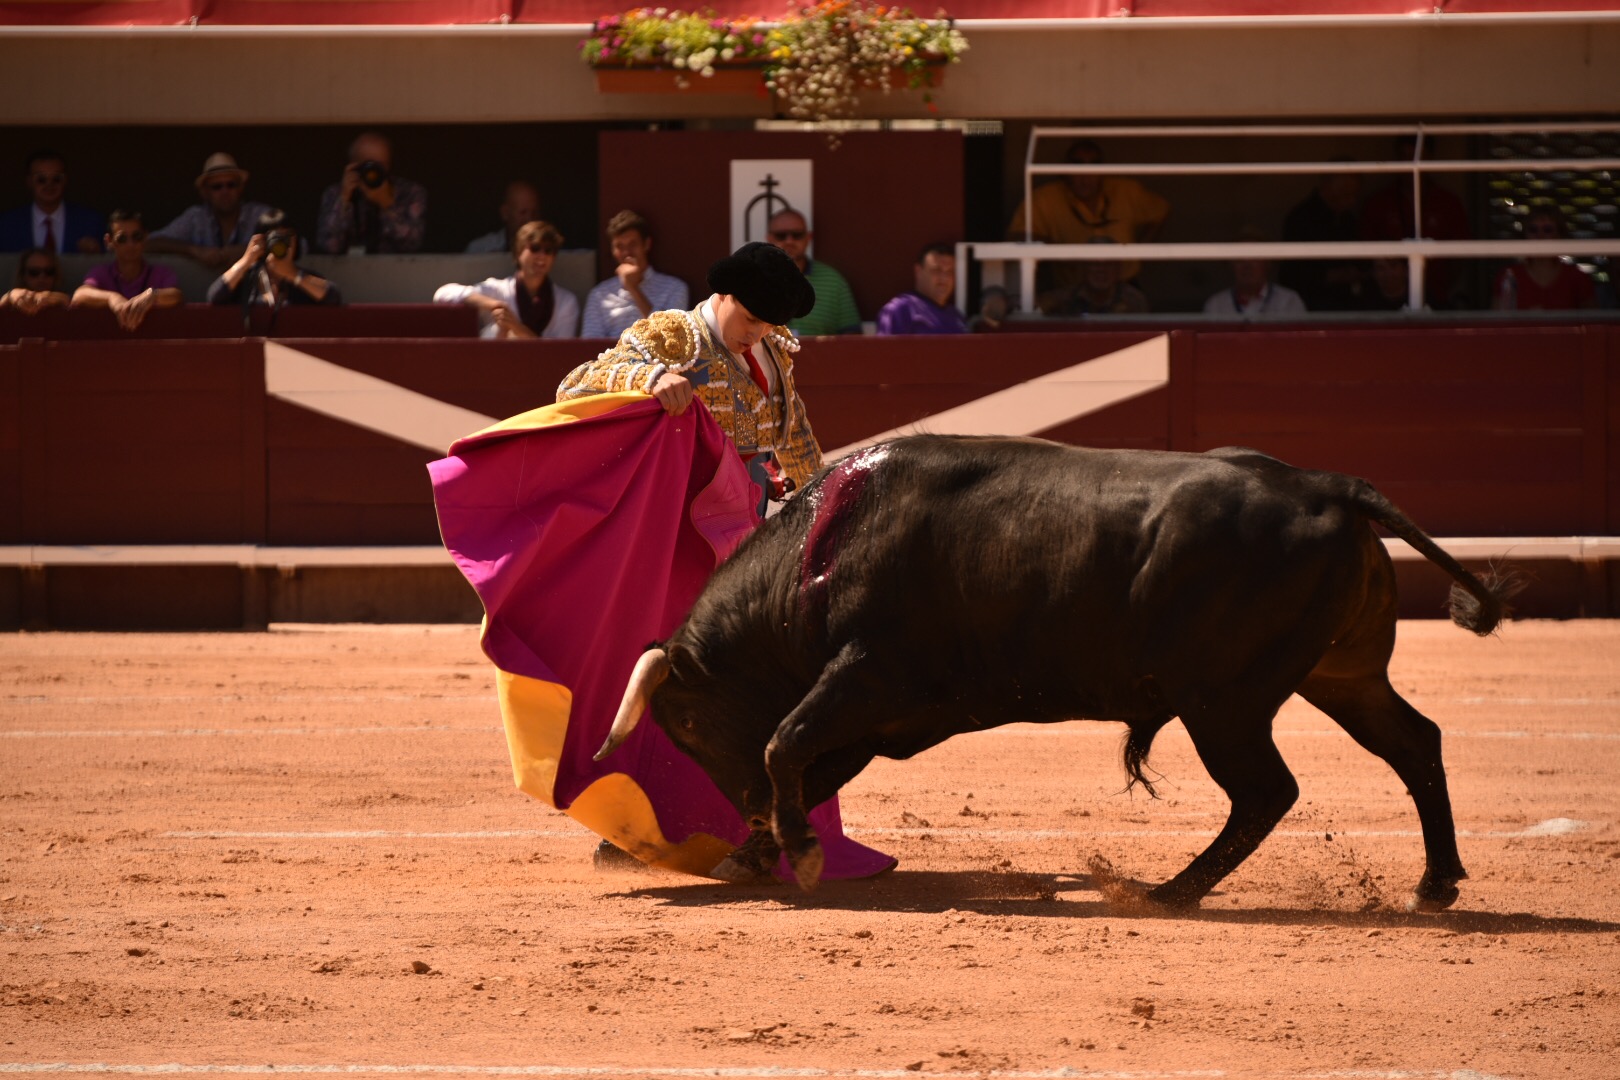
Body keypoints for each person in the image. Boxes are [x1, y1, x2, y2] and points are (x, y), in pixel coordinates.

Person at [560, 240, 822, 494]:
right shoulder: (673, 336)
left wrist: (821, 503)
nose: (757, 335)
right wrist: (651, 378)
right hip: (683, 504)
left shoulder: (774, 346)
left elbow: (794, 429)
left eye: (768, 326)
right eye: (750, 319)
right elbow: (573, 387)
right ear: (724, 293)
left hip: (754, 503)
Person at [1005, 139, 1170, 297]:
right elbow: (1016, 236)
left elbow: (1161, 211)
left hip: (1124, 287)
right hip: (1072, 291)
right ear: (1065, 171)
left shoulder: (1126, 190)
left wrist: (1138, 253)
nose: (1086, 175)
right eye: (1078, 165)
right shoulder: (1045, 198)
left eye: (1094, 165)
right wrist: (1059, 252)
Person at [1359, 136, 1470, 308]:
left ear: (1430, 159)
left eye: (1418, 158)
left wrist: (1441, 286)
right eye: (1405, 158)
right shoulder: (1378, 202)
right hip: (1385, 301)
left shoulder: (1448, 203)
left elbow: (1460, 255)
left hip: (1436, 296)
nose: (1411, 166)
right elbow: (1366, 252)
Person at [435, 220, 579, 338]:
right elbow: (442, 294)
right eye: (535, 248)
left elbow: (558, 352)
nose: (542, 256)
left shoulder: (566, 301)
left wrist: (516, 328)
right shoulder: (498, 290)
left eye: (549, 250)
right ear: (518, 252)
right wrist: (493, 304)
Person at [147, 152, 273, 271]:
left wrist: (247, 251)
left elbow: (287, 241)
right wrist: (194, 251)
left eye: (231, 185)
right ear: (204, 192)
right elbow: (150, 243)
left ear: (241, 188)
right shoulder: (196, 218)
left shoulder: (259, 214)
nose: (225, 192)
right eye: (217, 187)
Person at [580, 210, 689, 339]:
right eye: (619, 246)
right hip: (613, 358)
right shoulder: (599, 295)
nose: (627, 252)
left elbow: (671, 337)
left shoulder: (674, 288)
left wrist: (633, 288)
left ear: (646, 244)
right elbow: (590, 344)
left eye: (632, 244)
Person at [314, 132, 427, 254]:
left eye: (381, 164)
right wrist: (344, 200)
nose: (375, 171)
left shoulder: (409, 192)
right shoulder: (334, 193)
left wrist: (386, 205)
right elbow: (329, 246)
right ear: (354, 164)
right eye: (369, 164)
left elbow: (413, 244)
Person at [71, 211, 184, 331]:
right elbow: (79, 295)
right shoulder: (101, 272)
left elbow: (176, 296)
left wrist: (152, 296)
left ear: (145, 237)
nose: (130, 244)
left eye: (137, 237)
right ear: (109, 241)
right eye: (122, 239)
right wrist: (112, 298)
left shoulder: (162, 272)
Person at [206, 210, 340, 309]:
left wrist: (293, 275)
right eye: (275, 238)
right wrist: (247, 259)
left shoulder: (306, 278)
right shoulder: (247, 279)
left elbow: (333, 297)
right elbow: (215, 296)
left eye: (287, 237)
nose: (281, 243)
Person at [764, 207, 861, 336]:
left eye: (797, 235)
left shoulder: (833, 281)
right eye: (781, 236)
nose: (789, 241)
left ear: (808, 237)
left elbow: (852, 338)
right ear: (769, 238)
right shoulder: (752, 280)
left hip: (823, 356)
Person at [1279, 168, 1365, 311]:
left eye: (1354, 193)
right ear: (1325, 185)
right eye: (1345, 191)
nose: (1351, 199)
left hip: (1347, 304)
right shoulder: (1301, 219)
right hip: (1311, 305)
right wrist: (1331, 276)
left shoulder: (1348, 219)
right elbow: (1290, 273)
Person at [1491, 208, 1598, 311]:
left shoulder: (1577, 277)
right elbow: (1498, 320)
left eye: (1547, 230)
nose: (1539, 236)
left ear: (1559, 236)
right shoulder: (1509, 276)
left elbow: (1591, 321)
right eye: (1533, 230)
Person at [0, 150, 103, 254]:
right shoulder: (6, 225)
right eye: (41, 179)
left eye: (56, 179)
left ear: (65, 180)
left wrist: (95, 253)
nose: (49, 185)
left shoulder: (90, 222)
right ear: (29, 181)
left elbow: (107, 264)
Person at [1203, 230, 1308, 318]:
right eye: (1239, 259)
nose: (1247, 265)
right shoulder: (1216, 305)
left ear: (1268, 263)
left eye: (1254, 258)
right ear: (1230, 265)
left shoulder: (1289, 302)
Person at [1040, 236, 1149, 316]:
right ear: (1083, 267)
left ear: (1118, 269)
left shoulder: (1134, 301)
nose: (1101, 270)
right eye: (1094, 263)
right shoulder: (1060, 301)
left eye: (1108, 263)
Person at [876, 243, 969, 335]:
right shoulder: (900, 309)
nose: (944, 278)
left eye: (949, 272)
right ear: (918, 271)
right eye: (936, 270)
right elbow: (886, 349)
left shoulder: (956, 316)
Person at [465, 181, 542, 255]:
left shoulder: (548, 249)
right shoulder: (480, 249)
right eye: (523, 212)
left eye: (534, 213)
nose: (529, 219)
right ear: (505, 213)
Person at [1, 247, 70, 315]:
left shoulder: (64, 302)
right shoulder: (11, 300)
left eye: (49, 272)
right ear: (23, 275)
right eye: (34, 272)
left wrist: (58, 299)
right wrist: (10, 296)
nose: (42, 277)